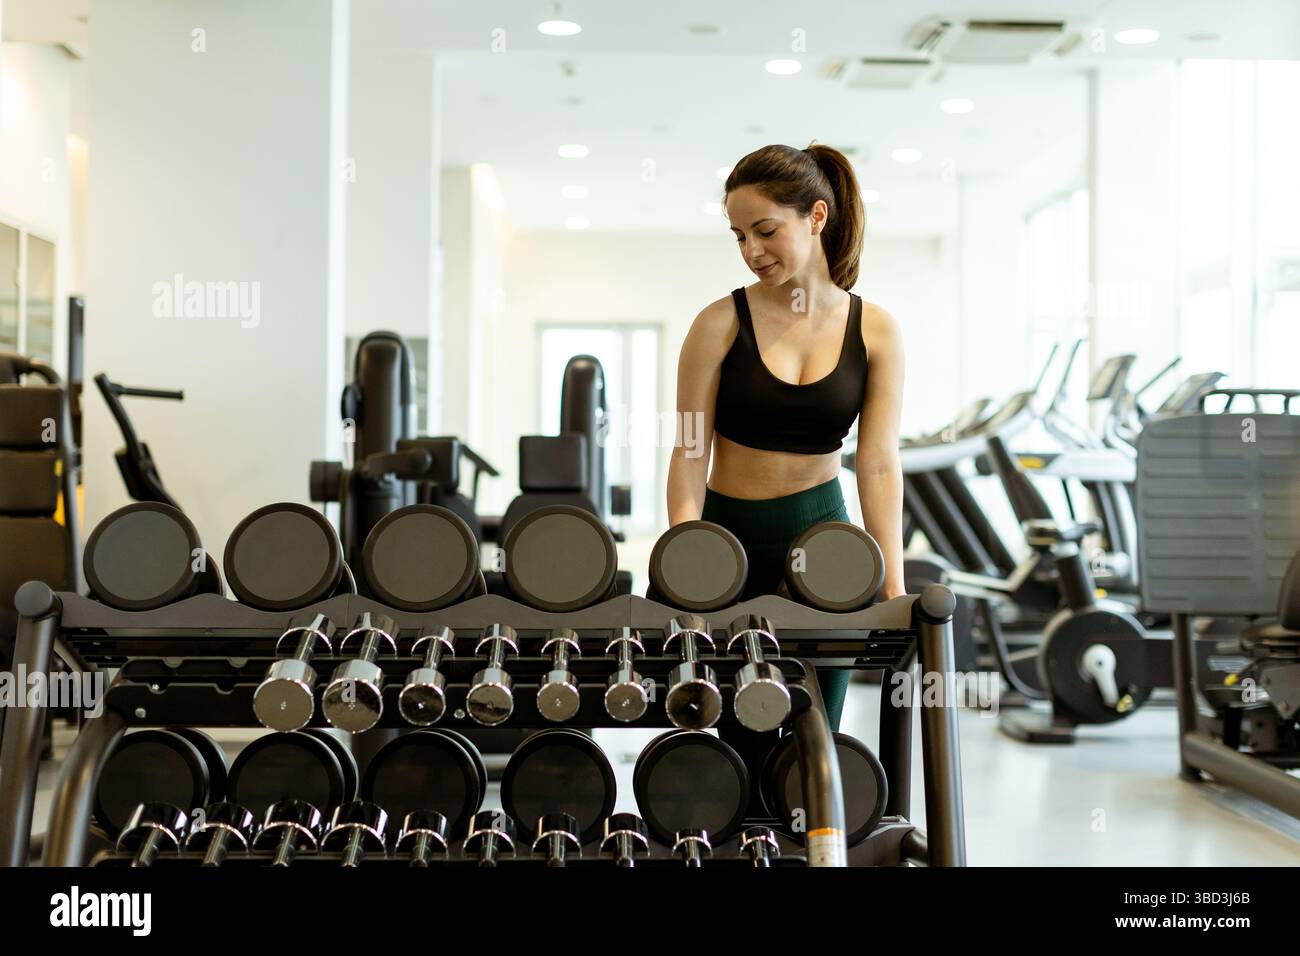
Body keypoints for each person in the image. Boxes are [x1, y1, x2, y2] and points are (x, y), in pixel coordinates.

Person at [666, 142, 905, 731]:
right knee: (728, 739)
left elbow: (876, 463)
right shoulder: (718, 323)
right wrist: (685, 546)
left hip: (826, 541)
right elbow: (691, 450)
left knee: (814, 732)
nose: (751, 250)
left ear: (816, 216)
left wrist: (895, 588)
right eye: (739, 235)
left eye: (765, 230)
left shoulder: (874, 329)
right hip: (728, 541)